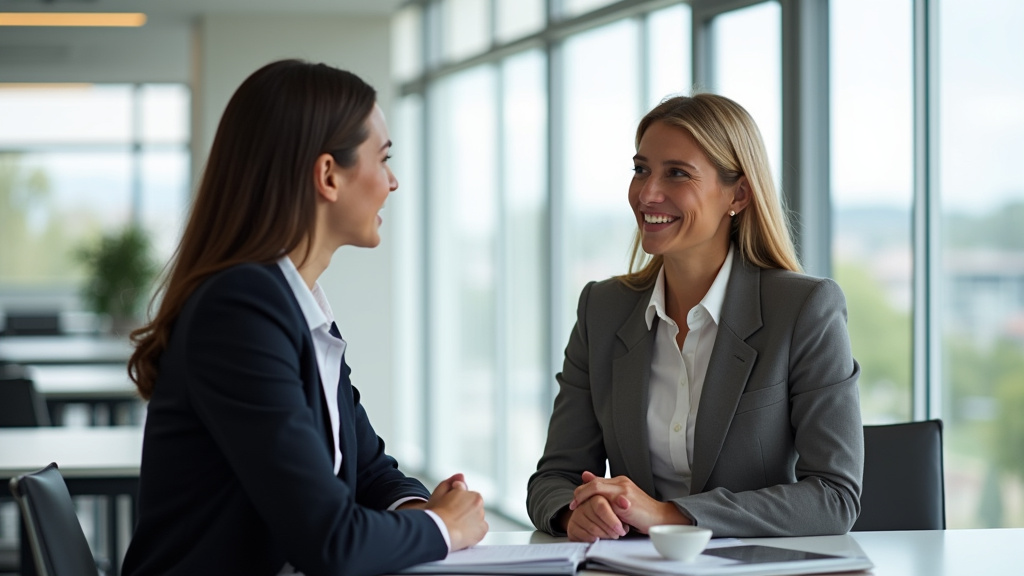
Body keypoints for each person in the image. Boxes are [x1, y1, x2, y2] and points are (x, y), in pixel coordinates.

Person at [121, 59, 487, 576]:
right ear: (328, 176)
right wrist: (444, 529)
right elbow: (330, 542)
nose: (393, 181)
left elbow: (369, 470)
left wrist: (418, 510)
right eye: (382, 159)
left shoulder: (296, 305)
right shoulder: (241, 311)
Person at [526, 93, 863, 541]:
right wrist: (575, 513)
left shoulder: (804, 310)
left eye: (677, 174)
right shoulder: (601, 309)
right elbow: (553, 479)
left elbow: (834, 496)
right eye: (641, 169)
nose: (647, 193)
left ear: (738, 193)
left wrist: (669, 515)